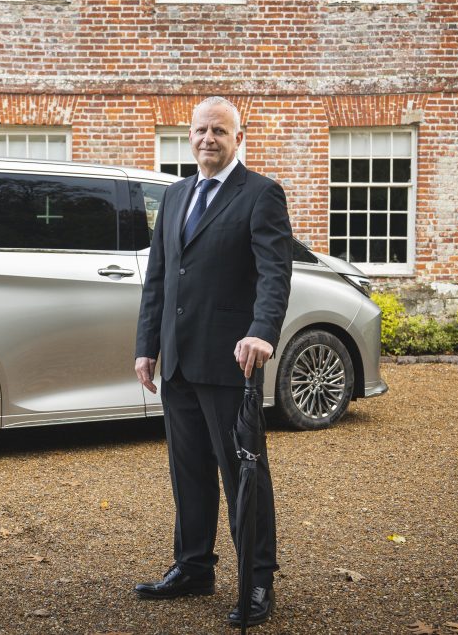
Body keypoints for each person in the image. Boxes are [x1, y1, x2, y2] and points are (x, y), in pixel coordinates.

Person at [133, 96, 293, 628]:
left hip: (232, 361)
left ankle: (257, 580)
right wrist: (147, 345)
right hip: (178, 361)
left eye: (220, 131)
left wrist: (262, 332)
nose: (209, 139)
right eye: (201, 130)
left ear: (238, 138)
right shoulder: (176, 194)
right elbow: (159, 276)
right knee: (189, 472)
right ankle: (194, 566)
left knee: (244, 476)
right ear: (190, 136)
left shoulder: (261, 194)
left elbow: (275, 273)